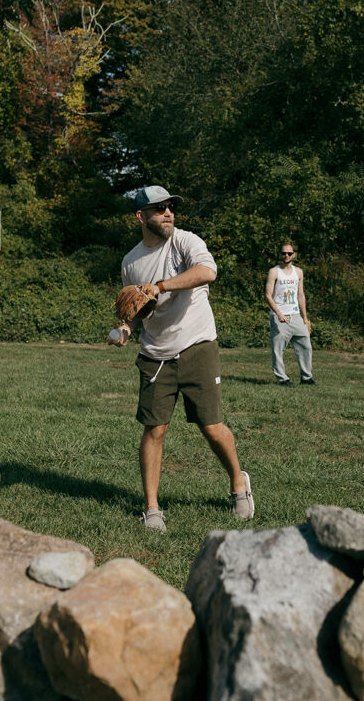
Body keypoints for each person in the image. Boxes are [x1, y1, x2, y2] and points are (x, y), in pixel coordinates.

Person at [108, 185, 254, 532]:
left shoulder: (186, 242)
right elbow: (137, 307)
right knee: (154, 429)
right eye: (159, 209)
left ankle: (238, 482)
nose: (168, 213)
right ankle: (152, 508)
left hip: (197, 344)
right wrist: (127, 327)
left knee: (211, 426)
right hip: (155, 352)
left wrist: (158, 286)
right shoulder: (131, 261)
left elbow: (207, 273)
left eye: (171, 207)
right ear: (141, 217)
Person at [265, 242, 315, 387]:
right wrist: (279, 314)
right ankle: (283, 379)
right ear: (280, 254)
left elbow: (300, 295)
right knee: (278, 349)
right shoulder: (274, 272)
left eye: (289, 253)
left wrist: (304, 317)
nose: (286, 256)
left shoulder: (298, 272)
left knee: (306, 344)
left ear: (294, 254)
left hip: (295, 315)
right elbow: (268, 295)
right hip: (280, 316)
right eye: (283, 253)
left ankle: (306, 377)